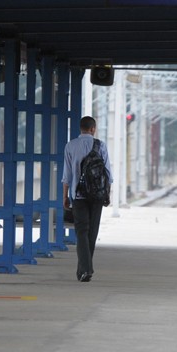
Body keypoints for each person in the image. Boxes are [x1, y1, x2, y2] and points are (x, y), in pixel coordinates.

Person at [62, 116, 113, 282]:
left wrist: (65, 197)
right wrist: (107, 194)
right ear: (93, 129)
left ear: (80, 128)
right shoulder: (101, 146)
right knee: (92, 232)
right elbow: (108, 175)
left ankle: (85, 269)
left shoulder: (70, 146)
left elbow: (67, 176)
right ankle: (84, 269)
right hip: (97, 196)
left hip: (79, 195)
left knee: (81, 231)